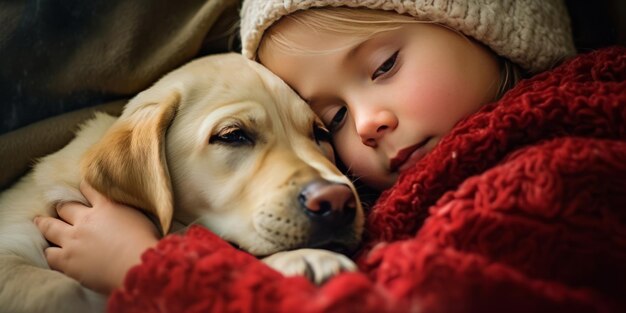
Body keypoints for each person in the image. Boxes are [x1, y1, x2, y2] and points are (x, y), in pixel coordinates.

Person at [34, 0, 626, 312]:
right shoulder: (409, 185)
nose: (367, 124)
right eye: (333, 122)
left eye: (385, 66)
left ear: (493, 31)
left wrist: (149, 268)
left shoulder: (556, 161)